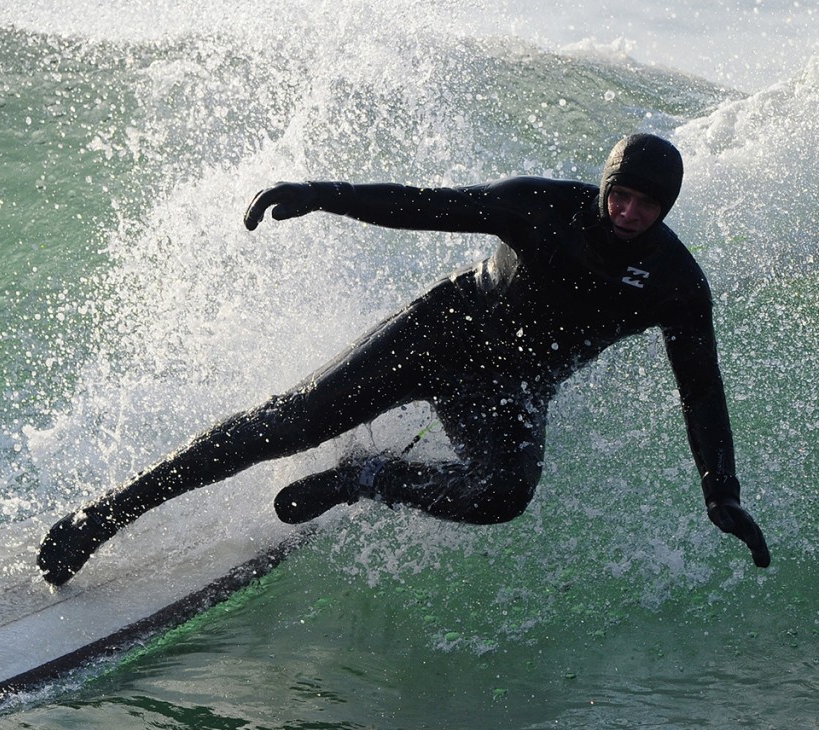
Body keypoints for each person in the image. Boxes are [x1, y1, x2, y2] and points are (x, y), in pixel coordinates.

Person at [38, 133, 770, 585]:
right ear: (605, 187)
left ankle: (366, 476)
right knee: (282, 425)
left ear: (666, 210)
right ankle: (99, 520)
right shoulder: (541, 206)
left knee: (502, 494)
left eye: (648, 204)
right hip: (439, 334)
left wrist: (720, 489)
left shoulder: (677, 284)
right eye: (622, 195)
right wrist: (324, 194)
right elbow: (427, 205)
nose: (629, 212)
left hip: (508, 388)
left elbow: (701, 391)